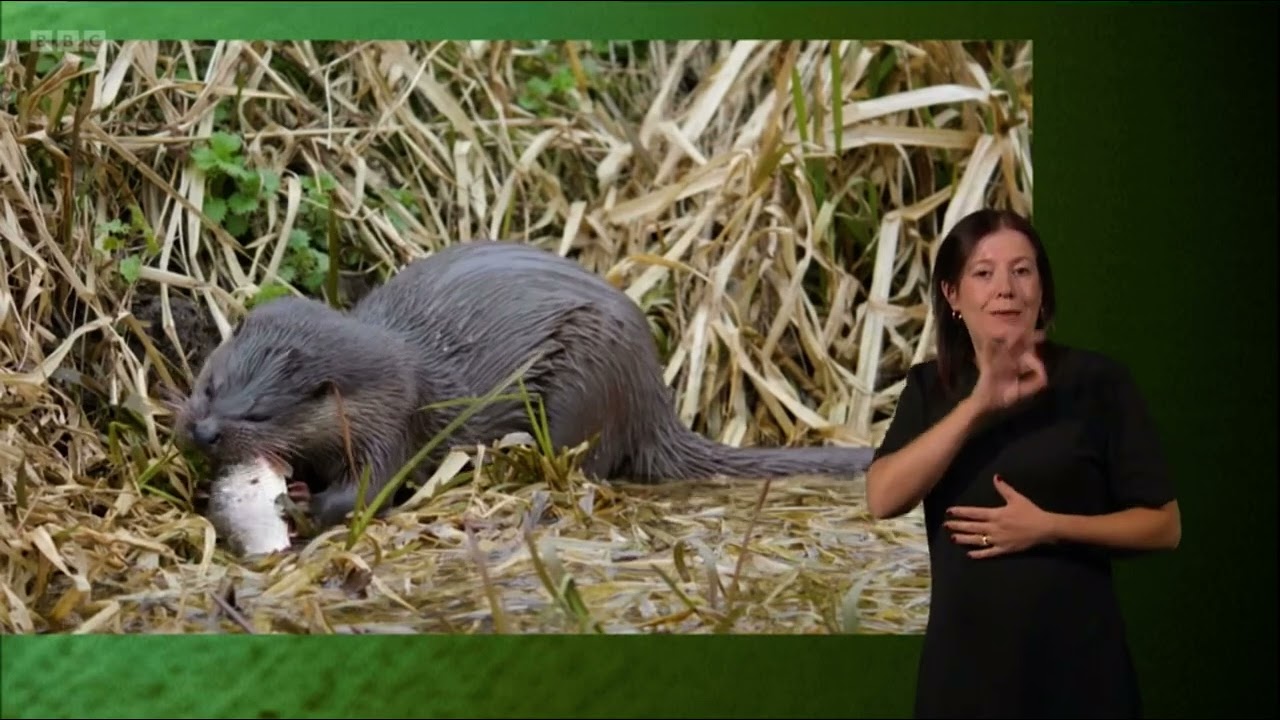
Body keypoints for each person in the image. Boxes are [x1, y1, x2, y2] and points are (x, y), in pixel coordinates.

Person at [865, 208, 1181, 719]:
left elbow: (1164, 527)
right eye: (983, 273)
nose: (1005, 288)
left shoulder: (1098, 383)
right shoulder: (931, 388)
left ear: (1042, 290)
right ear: (953, 296)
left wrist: (1048, 527)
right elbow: (882, 497)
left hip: (1081, 671)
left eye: (1022, 270)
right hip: (965, 675)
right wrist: (979, 405)